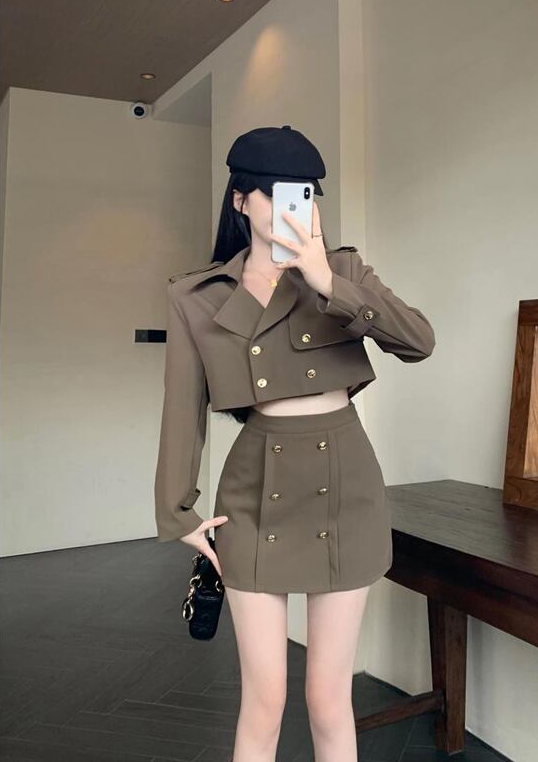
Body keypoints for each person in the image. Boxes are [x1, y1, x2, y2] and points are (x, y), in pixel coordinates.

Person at [155, 125, 435, 761]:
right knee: (264, 700)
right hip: (256, 489)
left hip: (346, 481)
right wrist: (178, 513)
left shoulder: (343, 270)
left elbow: (419, 341)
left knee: (329, 698)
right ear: (240, 200)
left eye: (306, 193)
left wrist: (327, 282)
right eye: (278, 192)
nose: (295, 205)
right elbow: (181, 407)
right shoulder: (196, 296)